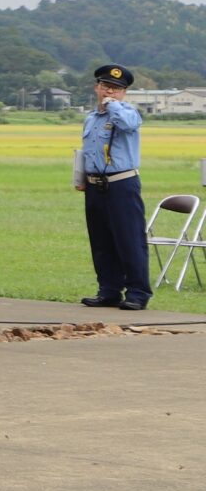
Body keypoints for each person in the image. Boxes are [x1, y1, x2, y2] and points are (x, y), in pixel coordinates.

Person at [77, 64, 149, 312]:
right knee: (101, 241)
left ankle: (138, 293)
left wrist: (113, 104)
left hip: (122, 183)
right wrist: (81, 176)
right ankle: (108, 291)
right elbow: (88, 151)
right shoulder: (91, 118)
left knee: (129, 239)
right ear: (96, 87)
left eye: (117, 88)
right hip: (95, 184)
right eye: (106, 86)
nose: (110, 91)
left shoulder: (128, 112)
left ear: (124, 93)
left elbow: (128, 125)